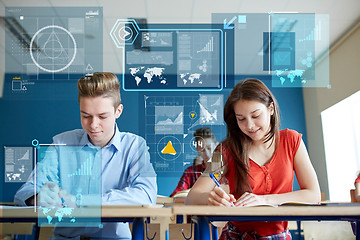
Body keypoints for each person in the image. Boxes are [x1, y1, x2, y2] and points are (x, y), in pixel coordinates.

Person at [14, 72, 157, 239]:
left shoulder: (134, 146)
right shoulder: (61, 143)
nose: (93, 125)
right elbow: (25, 191)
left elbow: (146, 194)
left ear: (118, 111)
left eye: (102, 116)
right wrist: (37, 198)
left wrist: (80, 201)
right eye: (86, 116)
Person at [185, 78, 321, 239]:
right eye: (241, 119)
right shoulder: (225, 150)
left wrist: (265, 200)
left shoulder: (292, 140)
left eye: (256, 115)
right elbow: (192, 198)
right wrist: (212, 199)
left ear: (271, 109)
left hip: (279, 235)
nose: (249, 125)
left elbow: (314, 195)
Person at [170, 127, 218, 197]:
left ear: (217, 145)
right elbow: (176, 195)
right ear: (197, 149)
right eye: (202, 149)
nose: (206, 153)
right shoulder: (190, 172)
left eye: (209, 148)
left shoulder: (227, 169)